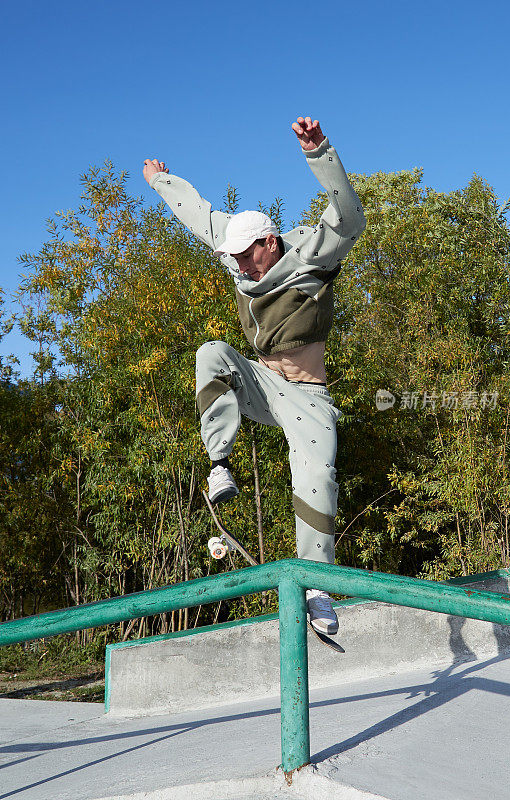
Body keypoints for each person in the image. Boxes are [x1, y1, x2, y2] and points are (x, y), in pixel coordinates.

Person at [143, 117, 366, 634]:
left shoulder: (312, 254)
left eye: (247, 257)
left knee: (317, 477)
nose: (241, 268)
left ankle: (315, 583)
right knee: (211, 353)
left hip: (308, 396)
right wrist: (162, 182)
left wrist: (320, 152)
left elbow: (350, 216)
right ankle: (220, 462)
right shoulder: (236, 253)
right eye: (235, 260)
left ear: (270, 241)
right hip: (262, 382)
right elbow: (199, 217)